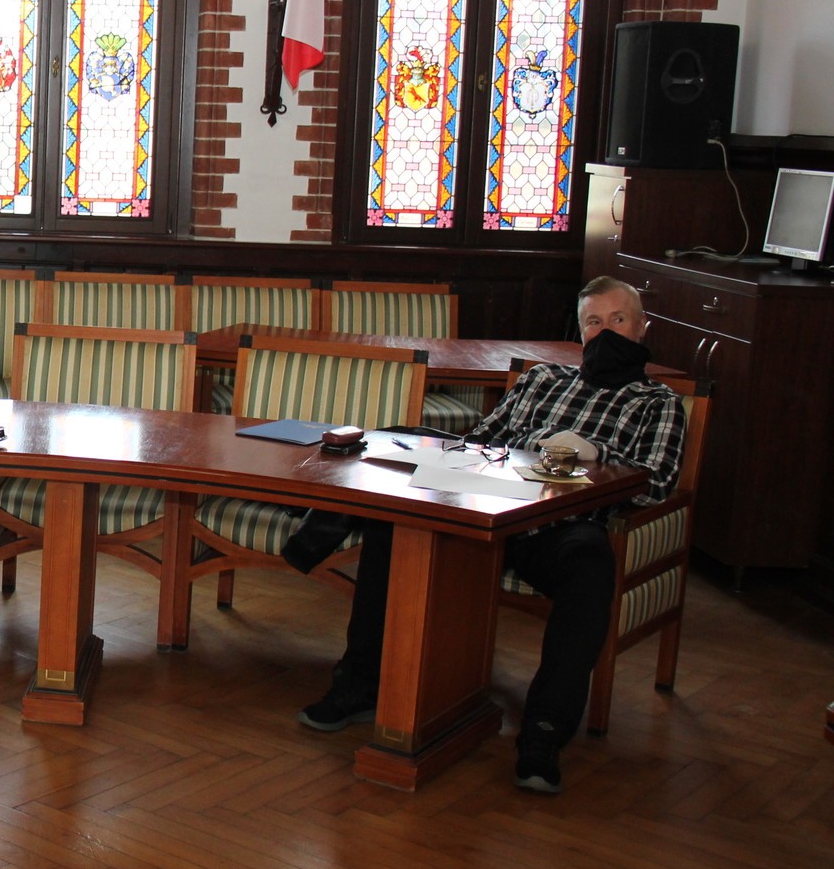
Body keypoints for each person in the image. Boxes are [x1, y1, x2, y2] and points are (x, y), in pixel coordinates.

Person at [292, 276, 684, 793]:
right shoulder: (543, 378)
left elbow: (658, 483)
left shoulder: (657, 401)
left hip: (561, 526)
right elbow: (481, 439)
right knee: (395, 512)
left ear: (642, 326)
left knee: (590, 566)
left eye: (618, 320)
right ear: (580, 331)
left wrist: (597, 454)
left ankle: (543, 733)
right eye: (595, 322)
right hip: (488, 506)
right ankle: (360, 685)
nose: (606, 332)